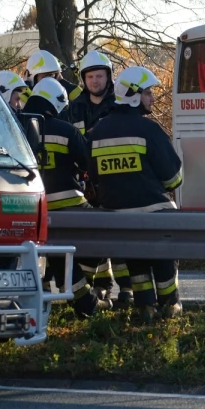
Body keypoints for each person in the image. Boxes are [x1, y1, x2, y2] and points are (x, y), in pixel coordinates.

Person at [87, 66, 184, 320]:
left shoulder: (98, 131)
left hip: (116, 215)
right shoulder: (148, 130)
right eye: (148, 92)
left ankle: (144, 305)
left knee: (135, 258)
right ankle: (170, 303)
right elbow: (174, 178)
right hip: (154, 211)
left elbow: (94, 177)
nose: (152, 97)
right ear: (133, 95)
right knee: (165, 255)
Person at [20, 78, 105, 317]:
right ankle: (87, 287)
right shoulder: (67, 130)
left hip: (28, 209)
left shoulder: (15, 127)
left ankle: (81, 296)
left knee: (55, 250)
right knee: (106, 231)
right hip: (69, 204)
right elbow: (91, 164)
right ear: (57, 104)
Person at [67, 50, 127, 305]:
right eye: (90, 76)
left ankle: (128, 290)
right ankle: (101, 285)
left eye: (99, 76)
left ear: (108, 77)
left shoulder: (119, 106)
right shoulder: (74, 108)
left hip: (114, 179)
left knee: (122, 237)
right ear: (83, 79)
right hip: (85, 183)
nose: (95, 81)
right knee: (92, 236)